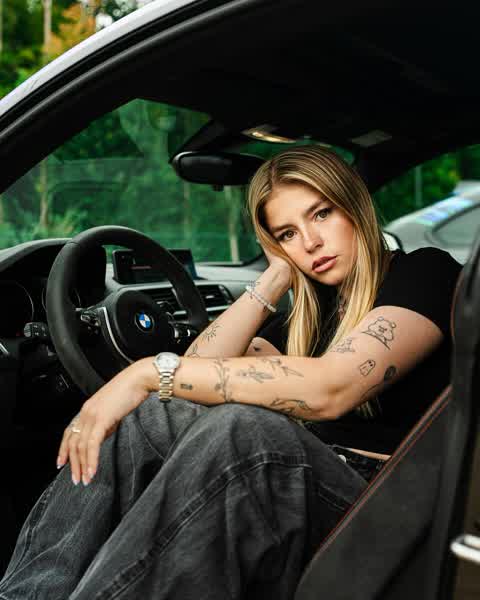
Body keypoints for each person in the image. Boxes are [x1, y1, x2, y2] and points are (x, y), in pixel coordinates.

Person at [0, 146, 461, 600]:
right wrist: (274, 278)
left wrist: (145, 371)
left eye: (321, 214)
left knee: (243, 431)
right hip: (321, 487)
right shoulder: (310, 316)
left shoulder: (425, 273)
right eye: (287, 234)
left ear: (354, 207)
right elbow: (194, 378)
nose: (310, 242)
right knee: (151, 414)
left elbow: (331, 387)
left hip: (391, 507)